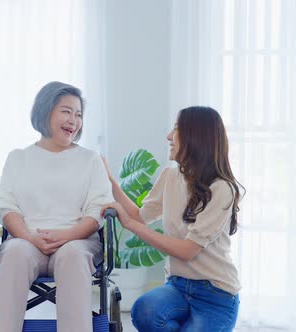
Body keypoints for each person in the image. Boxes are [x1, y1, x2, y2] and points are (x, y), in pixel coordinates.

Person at [101, 106, 243, 332]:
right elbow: (139, 216)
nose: (169, 136)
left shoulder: (222, 189)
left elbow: (187, 250)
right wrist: (110, 181)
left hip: (216, 295)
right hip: (177, 287)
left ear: (196, 136)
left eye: (176, 129)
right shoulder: (170, 177)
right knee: (144, 311)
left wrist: (130, 225)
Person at [0, 81, 112, 332]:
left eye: (78, 114)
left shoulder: (90, 159)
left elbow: (97, 211)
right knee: (14, 253)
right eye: (66, 111)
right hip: (27, 239)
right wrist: (30, 237)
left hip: (78, 241)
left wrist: (67, 236)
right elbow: (6, 205)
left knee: (73, 255)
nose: (74, 120)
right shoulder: (18, 157)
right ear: (45, 112)